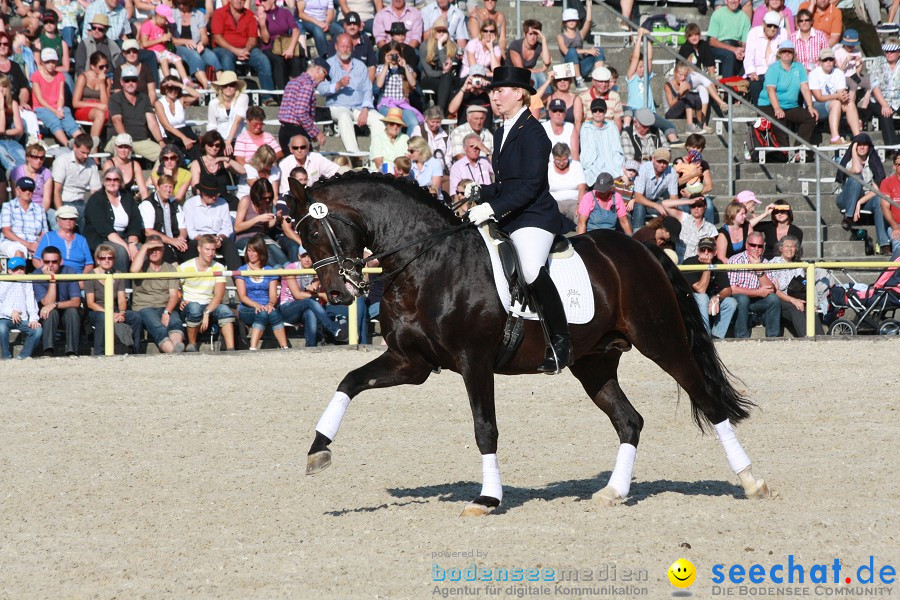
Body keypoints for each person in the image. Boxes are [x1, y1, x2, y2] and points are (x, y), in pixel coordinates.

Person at [466, 65, 572, 373]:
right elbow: (504, 185)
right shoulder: (502, 130)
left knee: (529, 269)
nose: (494, 97)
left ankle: (561, 341)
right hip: (510, 214)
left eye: (500, 91)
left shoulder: (535, 133)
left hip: (534, 217)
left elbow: (529, 186)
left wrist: (492, 209)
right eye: (493, 91)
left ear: (519, 94)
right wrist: (481, 192)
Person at [318, 34, 385, 154]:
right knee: (344, 116)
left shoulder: (360, 66)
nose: (345, 49)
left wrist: (365, 109)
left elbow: (368, 89)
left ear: (352, 48)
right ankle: (354, 155)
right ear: (336, 47)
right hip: (337, 106)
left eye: (348, 46)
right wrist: (338, 85)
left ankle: (376, 155)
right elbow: (322, 89)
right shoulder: (328, 64)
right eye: (342, 46)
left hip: (359, 106)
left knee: (380, 120)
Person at [177, 233, 236, 352]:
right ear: (199, 249)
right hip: (191, 304)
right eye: (207, 249)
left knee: (225, 311)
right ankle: (192, 345)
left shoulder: (218, 267)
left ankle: (231, 349)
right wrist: (180, 300)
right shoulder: (184, 267)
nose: (210, 253)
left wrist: (207, 312)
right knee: (194, 308)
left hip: (210, 304)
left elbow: (219, 295)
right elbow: (175, 289)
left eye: (213, 250)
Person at [210, 0, 276, 105]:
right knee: (227, 58)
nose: (239, 1)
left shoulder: (249, 15)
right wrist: (235, 50)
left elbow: (253, 38)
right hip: (224, 48)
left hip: (245, 48)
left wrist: (246, 49)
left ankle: (268, 97)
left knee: (262, 59)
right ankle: (229, 96)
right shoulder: (219, 13)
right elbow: (218, 38)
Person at [758, 40, 816, 159]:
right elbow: (770, 90)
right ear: (779, 53)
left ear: (793, 53)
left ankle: (798, 150)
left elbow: (805, 88)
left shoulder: (799, 67)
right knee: (780, 119)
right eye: (784, 51)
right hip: (768, 104)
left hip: (790, 105)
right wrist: (777, 108)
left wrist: (810, 106)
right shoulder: (774, 68)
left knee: (810, 118)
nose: (787, 54)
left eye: (789, 51)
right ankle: (785, 154)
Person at [279, 249, 348, 346]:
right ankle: (333, 328)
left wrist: (314, 288)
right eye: (304, 256)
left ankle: (310, 347)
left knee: (310, 312)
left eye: (310, 256)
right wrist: (320, 295)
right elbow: (297, 295)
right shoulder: (290, 268)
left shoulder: (315, 270)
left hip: (304, 308)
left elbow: (314, 287)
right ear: (299, 256)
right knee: (309, 302)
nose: (307, 259)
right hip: (287, 307)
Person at [129, 237, 186, 354]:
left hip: (165, 305)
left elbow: (174, 295)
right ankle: (174, 353)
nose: (154, 251)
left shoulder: (170, 268)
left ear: (163, 250)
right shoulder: (141, 266)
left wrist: (167, 312)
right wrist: (144, 247)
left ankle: (177, 346)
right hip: (144, 306)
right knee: (157, 326)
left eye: (157, 249)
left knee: (175, 321)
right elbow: (134, 270)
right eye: (151, 249)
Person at [85, 243, 143, 355]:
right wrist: (110, 313)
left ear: (114, 259)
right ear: (98, 260)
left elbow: (122, 299)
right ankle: (99, 352)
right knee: (103, 318)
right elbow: (90, 303)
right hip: (97, 312)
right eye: (103, 258)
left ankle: (135, 350)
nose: (106, 260)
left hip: (115, 310)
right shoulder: (91, 275)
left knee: (136, 317)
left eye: (110, 258)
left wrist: (121, 313)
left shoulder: (118, 274)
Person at [83, 167, 143, 274]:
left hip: (126, 237)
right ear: (104, 181)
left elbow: (135, 222)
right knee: (120, 251)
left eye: (115, 179)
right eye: (108, 179)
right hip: (104, 239)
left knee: (142, 250)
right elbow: (105, 229)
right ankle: (123, 287)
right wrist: (126, 246)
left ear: (120, 182)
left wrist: (132, 243)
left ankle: (141, 287)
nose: (112, 182)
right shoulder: (95, 200)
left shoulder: (127, 197)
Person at [235, 234, 290, 350]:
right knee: (262, 313)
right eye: (249, 250)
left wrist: (270, 304)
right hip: (247, 308)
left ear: (261, 252)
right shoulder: (242, 270)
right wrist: (257, 305)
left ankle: (284, 347)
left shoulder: (269, 271)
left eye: (254, 251)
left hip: (265, 306)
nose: (251, 254)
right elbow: (242, 296)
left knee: (274, 313)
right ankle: (253, 348)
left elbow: (273, 295)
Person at [836, 133, 889, 251]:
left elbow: (877, 189)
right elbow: (856, 170)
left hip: (865, 198)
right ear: (854, 147)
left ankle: (884, 243)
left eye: (865, 145)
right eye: (858, 144)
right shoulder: (849, 161)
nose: (862, 147)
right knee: (856, 178)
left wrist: (859, 202)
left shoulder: (873, 162)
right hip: (845, 199)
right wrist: (853, 150)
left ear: (869, 147)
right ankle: (849, 217)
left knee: (880, 200)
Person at [727, 230, 782, 338]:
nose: (756, 249)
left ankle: (773, 337)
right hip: (739, 298)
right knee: (743, 299)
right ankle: (741, 337)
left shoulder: (765, 262)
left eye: (760, 246)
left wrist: (759, 270)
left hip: (757, 299)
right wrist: (757, 292)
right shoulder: (735, 260)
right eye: (753, 245)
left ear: (764, 247)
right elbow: (732, 289)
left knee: (773, 299)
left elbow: (770, 289)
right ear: (747, 245)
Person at [106, 65, 164, 163]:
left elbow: (152, 122)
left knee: (164, 155)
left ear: (138, 81)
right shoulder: (115, 98)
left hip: (141, 140)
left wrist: (161, 141)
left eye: (133, 80)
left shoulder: (144, 98)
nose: (130, 83)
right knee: (122, 152)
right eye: (127, 80)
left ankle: (152, 178)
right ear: (121, 82)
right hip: (119, 139)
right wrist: (125, 140)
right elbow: (117, 120)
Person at [682, 237, 737, 339]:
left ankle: (717, 336)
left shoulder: (718, 263)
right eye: (703, 250)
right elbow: (701, 289)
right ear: (698, 251)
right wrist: (707, 266)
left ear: (715, 252)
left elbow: (727, 290)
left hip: (710, 298)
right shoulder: (689, 263)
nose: (706, 253)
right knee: (703, 298)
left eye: (709, 250)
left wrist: (717, 297)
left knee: (731, 302)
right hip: (690, 300)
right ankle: (705, 337)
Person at [183, 174, 241, 270]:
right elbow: (191, 232)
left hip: (218, 236)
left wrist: (219, 238)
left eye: (216, 194)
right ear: (201, 192)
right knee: (191, 247)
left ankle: (238, 279)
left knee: (230, 245)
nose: (214, 197)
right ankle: (192, 278)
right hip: (199, 238)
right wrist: (205, 240)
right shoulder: (190, 204)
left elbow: (227, 227)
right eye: (210, 194)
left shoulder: (223, 203)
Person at [32, 245, 82, 356]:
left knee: (72, 311)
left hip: (66, 311)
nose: (50, 265)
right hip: (47, 313)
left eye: (54, 261)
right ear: (41, 261)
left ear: (61, 261)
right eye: (47, 261)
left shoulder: (70, 272)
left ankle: (72, 352)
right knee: (50, 312)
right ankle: (48, 351)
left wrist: (55, 304)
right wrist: (52, 279)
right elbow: (46, 303)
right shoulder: (36, 274)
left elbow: (76, 302)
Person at [768, 235, 822, 336]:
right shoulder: (773, 263)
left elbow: (803, 287)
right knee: (795, 308)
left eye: (792, 246)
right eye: (786, 246)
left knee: (810, 309)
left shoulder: (798, 266)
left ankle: (821, 339)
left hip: (797, 298)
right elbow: (775, 291)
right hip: (780, 300)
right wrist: (793, 300)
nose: (789, 249)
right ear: (780, 248)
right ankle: (806, 339)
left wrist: (810, 303)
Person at [31, 48, 83, 148]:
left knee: (68, 118)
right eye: (47, 62)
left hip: (57, 106)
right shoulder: (36, 76)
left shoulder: (60, 76)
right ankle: (68, 144)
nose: (51, 64)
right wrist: (55, 111)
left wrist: (59, 108)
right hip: (42, 107)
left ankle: (83, 142)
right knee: (53, 121)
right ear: (42, 62)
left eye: (53, 62)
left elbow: (61, 96)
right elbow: (40, 99)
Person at [278, 58, 331, 152]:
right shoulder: (307, 85)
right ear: (318, 69)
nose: (323, 80)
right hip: (296, 131)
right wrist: (316, 133)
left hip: (283, 130)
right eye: (324, 74)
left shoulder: (293, 82)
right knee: (304, 164)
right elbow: (300, 112)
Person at [808, 48, 859, 145]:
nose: (828, 62)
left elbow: (841, 92)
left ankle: (857, 136)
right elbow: (819, 97)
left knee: (850, 103)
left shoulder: (838, 73)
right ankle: (835, 137)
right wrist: (837, 96)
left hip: (833, 103)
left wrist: (843, 96)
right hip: (817, 106)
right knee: (836, 103)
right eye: (825, 60)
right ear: (820, 62)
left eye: (830, 60)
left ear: (834, 61)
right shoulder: (814, 74)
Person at [139, 174, 193, 264]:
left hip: (174, 240)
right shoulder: (148, 204)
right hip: (157, 241)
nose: (168, 190)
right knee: (168, 253)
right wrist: (172, 241)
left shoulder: (175, 204)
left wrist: (181, 239)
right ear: (158, 187)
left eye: (171, 187)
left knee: (191, 250)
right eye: (165, 186)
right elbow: (148, 231)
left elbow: (182, 228)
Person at [235, 179, 288, 266]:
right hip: (245, 237)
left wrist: (276, 219)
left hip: (262, 237)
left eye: (269, 197)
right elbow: (237, 227)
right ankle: (277, 273)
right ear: (257, 195)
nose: (267, 200)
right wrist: (258, 218)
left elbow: (267, 226)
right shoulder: (246, 200)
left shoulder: (267, 204)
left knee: (280, 254)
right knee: (266, 253)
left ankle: (289, 271)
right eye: (264, 198)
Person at [139, 4, 192, 87]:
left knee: (177, 59)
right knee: (164, 60)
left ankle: (186, 81)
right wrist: (161, 39)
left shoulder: (163, 26)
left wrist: (169, 38)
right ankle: (169, 81)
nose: (166, 22)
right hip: (152, 52)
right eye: (165, 20)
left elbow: (168, 43)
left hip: (163, 50)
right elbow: (144, 43)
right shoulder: (147, 25)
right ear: (159, 16)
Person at [375, 40, 421, 135]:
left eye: (395, 55)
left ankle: (408, 146)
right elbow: (379, 84)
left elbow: (413, 83)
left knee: (414, 122)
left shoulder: (406, 68)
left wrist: (404, 67)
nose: (393, 58)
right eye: (390, 55)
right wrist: (386, 66)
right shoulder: (381, 68)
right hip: (387, 104)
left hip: (402, 104)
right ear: (386, 54)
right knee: (394, 119)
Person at [257, 0, 304, 94]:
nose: (262, 3)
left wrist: (290, 49)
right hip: (269, 47)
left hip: (284, 45)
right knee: (279, 62)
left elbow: (296, 30)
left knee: (296, 61)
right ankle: (283, 94)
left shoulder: (285, 12)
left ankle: (298, 92)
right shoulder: (261, 15)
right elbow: (265, 40)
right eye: (261, 1)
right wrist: (262, 24)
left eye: (264, 0)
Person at [172, 0, 220, 90]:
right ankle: (206, 85)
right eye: (179, 3)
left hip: (196, 44)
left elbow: (204, 37)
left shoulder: (198, 14)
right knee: (194, 55)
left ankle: (221, 84)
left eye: (184, 3)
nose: (181, 6)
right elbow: (171, 39)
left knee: (211, 56)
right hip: (178, 46)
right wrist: (185, 41)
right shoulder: (172, 14)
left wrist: (201, 43)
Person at [0, 256, 42, 359]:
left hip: (22, 319)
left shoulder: (27, 281)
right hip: (4, 318)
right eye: (16, 269)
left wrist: (33, 318)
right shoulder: (3, 282)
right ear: (9, 271)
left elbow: (31, 301)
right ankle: (6, 356)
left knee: (37, 330)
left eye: (21, 268)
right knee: (1, 328)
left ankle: (23, 356)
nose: (19, 271)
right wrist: (11, 312)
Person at [580, 98, 625, 193]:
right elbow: (587, 154)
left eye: (600, 110)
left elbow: (617, 149)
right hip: (594, 167)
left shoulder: (612, 127)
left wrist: (617, 167)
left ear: (605, 112)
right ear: (591, 112)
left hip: (612, 165)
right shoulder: (586, 128)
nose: (597, 113)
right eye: (594, 110)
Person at [33, 205, 94, 274]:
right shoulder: (48, 237)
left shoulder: (82, 240)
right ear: (58, 221)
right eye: (64, 218)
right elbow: (36, 260)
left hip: (77, 278)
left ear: (75, 221)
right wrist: (47, 273)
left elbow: (89, 264)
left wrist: (82, 279)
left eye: (71, 218)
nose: (68, 221)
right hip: (54, 276)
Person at [744, 12, 788, 104]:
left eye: (775, 26)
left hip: (775, 72)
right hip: (758, 72)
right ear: (764, 24)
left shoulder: (783, 33)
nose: (772, 29)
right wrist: (752, 72)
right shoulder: (753, 33)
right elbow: (749, 56)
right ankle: (761, 114)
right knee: (755, 85)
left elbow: (784, 56)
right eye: (769, 25)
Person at [0, 176, 47, 260]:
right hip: (12, 242)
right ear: (18, 190)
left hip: (34, 244)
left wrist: (37, 245)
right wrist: (28, 245)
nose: (27, 192)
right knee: (18, 252)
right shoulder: (8, 207)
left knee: (49, 253)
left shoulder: (39, 209)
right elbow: (6, 231)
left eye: (30, 189)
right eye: (24, 189)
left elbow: (44, 232)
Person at [628, 148, 675, 230]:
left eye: (665, 162)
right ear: (653, 159)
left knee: (678, 208)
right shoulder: (644, 169)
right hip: (637, 201)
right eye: (659, 161)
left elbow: (674, 197)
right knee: (639, 206)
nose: (662, 165)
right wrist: (656, 206)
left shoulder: (671, 171)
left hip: (653, 201)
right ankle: (637, 233)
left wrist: (672, 208)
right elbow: (638, 197)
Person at [155, 76, 201, 159]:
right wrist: (184, 138)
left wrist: (179, 84)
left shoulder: (181, 100)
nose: (173, 91)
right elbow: (166, 125)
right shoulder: (159, 103)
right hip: (170, 136)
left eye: (175, 88)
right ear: (165, 89)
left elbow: (197, 95)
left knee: (197, 153)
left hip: (185, 132)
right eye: (170, 88)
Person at [419, 17, 459, 114]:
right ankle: (445, 113)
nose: (441, 33)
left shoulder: (452, 46)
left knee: (448, 79)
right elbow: (429, 73)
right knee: (447, 84)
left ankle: (439, 112)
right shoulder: (425, 46)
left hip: (447, 78)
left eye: (444, 31)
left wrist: (440, 45)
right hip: (429, 79)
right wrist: (443, 72)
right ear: (433, 32)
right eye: (438, 30)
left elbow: (446, 66)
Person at [72, 51, 110, 150]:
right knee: (100, 113)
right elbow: (75, 103)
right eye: (101, 67)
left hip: (101, 109)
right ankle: (93, 150)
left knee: (105, 114)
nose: (105, 69)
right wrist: (96, 105)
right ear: (93, 66)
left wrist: (102, 84)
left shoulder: (107, 80)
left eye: (107, 66)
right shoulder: (83, 77)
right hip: (84, 108)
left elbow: (105, 104)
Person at [662, 194, 718, 260]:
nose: (696, 208)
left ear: (705, 206)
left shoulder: (711, 227)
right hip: (682, 263)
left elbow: (711, 250)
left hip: (700, 264)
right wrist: (689, 201)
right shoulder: (683, 218)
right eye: (693, 206)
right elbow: (664, 204)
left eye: (699, 205)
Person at [867, 39, 900, 148]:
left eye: (892, 51)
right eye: (887, 51)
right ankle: (891, 146)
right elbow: (875, 87)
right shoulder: (878, 62)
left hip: (897, 100)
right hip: (879, 100)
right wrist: (885, 104)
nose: (889, 54)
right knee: (885, 113)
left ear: (898, 52)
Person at [206, 71, 249, 154]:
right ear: (221, 87)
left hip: (239, 139)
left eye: (232, 85)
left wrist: (228, 141)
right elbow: (212, 125)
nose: (228, 87)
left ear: (236, 87)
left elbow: (237, 120)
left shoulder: (243, 98)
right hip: (219, 140)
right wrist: (216, 142)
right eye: (225, 85)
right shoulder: (213, 103)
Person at [557, 5, 601, 86]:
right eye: (569, 20)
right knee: (572, 51)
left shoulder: (580, 34)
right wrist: (587, 51)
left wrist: (589, 6)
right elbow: (566, 52)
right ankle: (579, 80)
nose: (571, 22)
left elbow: (588, 21)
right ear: (564, 22)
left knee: (598, 50)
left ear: (577, 21)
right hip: (567, 69)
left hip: (581, 67)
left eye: (574, 19)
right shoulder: (560, 36)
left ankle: (600, 78)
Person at [190, 130, 243, 196]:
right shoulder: (197, 163)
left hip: (223, 199)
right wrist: (211, 196)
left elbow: (242, 171)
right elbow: (195, 188)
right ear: (204, 145)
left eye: (217, 145)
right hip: (205, 199)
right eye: (210, 144)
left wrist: (226, 158)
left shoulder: (224, 162)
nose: (214, 147)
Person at [707, 0, 751, 78]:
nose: (733, 1)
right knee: (729, 55)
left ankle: (740, 82)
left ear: (740, 1)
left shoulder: (744, 18)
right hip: (718, 46)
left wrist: (742, 51)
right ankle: (728, 86)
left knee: (750, 55)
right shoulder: (717, 14)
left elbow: (745, 42)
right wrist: (733, 49)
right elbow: (712, 41)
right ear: (725, 1)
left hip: (736, 47)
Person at [102, 133, 150, 204]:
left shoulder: (135, 165)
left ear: (130, 148)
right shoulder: (109, 164)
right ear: (116, 147)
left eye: (126, 147)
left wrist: (146, 206)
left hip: (128, 202)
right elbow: (107, 189)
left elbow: (143, 190)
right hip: (111, 202)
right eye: (120, 147)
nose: (123, 150)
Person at [506, 19, 550, 90]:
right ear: (524, 34)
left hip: (528, 74)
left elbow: (547, 61)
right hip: (511, 75)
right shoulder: (515, 45)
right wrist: (541, 69)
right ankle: (532, 99)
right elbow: (521, 70)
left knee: (542, 77)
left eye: (536, 34)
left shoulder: (538, 46)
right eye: (530, 34)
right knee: (533, 77)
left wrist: (544, 39)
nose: (533, 37)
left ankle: (547, 99)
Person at [547, 143, 585, 222]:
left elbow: (582, 187)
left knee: (580, 217)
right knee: (551, 219)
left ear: (568, 157)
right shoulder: (548, 168)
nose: (561, 163)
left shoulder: (576, 165)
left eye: (564, 160)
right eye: (558, 160)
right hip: (555, 202)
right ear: (553, 157)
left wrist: (579, 204)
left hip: (574, 202)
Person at [578, 66, 624, 131]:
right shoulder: (583, 96)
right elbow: (580, 121)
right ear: (593, 82)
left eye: (606, 82)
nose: (604, 85)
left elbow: (618, 122)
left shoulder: (615, 96)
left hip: (609, 133)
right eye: (601, 81)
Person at [369, 107, 409, 173]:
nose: (395, 126)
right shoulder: (377, 139)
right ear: (387, 124)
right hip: (381, 174)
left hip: (401, 174)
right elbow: (379, 164)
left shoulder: (405, 138)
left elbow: (407, 161)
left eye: (398, 125)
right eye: (392, 123)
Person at [879, 152, 900, 254]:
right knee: (898, 249)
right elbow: (885, 207)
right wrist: (895, 227)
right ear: (894, 166)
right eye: (899, 164)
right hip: (895, 224)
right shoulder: (887, 182)